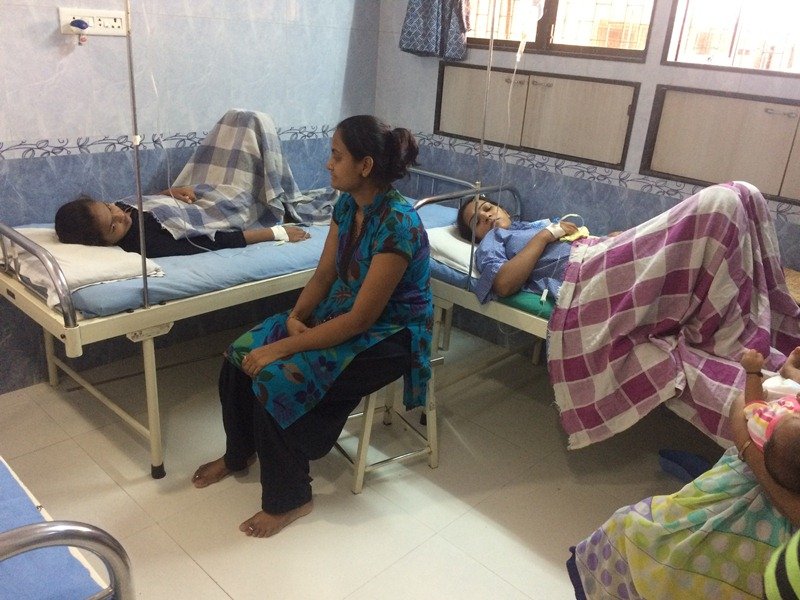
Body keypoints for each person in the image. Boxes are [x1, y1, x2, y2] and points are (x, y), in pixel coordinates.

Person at [190, 115, 433, 538]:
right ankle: (238, 454)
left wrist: (282, 348)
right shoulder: (347, 206)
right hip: (345, 313)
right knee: (239, 356)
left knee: (277, 376)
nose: (328, 164)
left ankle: (291, 498)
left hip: (391, 335)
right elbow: (323, 276)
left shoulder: (399, 224)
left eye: (337, 156)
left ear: (365, 166)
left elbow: (362, 319)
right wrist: (295, 318)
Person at [567, 347, 800, 599]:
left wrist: (753, 376)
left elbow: (744, 407)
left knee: (635, 531)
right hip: (744, 491)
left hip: (744, 509)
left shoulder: (771, 436)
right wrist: (791, 374)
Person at [54, 189, 310, 258]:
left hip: (201, 196)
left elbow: (146, 205)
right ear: (103, 244)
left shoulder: (122, 208)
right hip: (228, 211)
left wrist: (168, 193)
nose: (121, 215)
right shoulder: (148, 243)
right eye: (113, 226)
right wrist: (275, 232)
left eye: (109, 206)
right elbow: (212, 240)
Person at [740, 348, 800, 494]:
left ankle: (789, 372)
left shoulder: (763, 425)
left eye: (795, 416)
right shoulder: (785, 437)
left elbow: (753, 402)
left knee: (774, 386)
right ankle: (790, 372)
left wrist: (753, 372)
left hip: (782, 395)